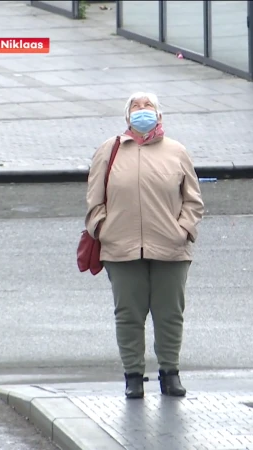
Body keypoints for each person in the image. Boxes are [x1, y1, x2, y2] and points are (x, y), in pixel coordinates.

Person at [84, 92, 204, 399]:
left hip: (170, 248)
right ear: (127, 118)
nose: (142, 111)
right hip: (121, 247)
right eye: (135, 107)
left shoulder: (176, 151)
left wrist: (183, 230)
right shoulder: (109, 150)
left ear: (159, 116)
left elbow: (193, 200)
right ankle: (133, 377)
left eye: (147, 106)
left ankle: (170, 373)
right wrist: (103, 229)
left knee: (169, 314)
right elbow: (94, 199)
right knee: (128, 314)